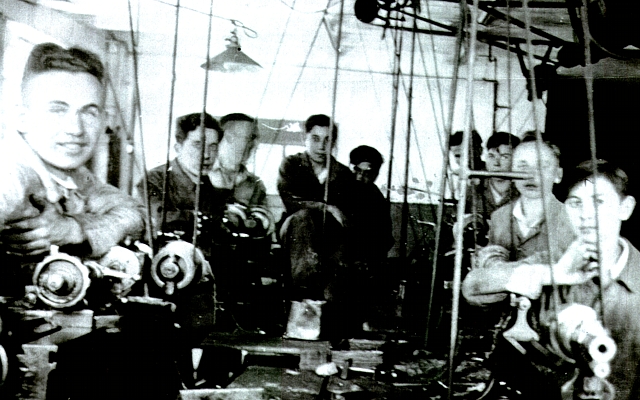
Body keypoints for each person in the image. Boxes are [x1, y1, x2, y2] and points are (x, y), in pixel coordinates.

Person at [466, 159, 640, 399]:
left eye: (598, 202)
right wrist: (553, 274)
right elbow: (472, 286)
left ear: (625, 208)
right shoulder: (554, 263)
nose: (586, 215)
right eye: (575, 203)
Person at [0, 42, 145, 295]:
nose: (75, 129)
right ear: (22, 118)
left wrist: (75, 230)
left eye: (89, 112)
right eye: (57, 110)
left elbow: (137, 214)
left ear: (103, 120)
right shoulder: (9, 176)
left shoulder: (71, 173)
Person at [461, 137, 574, 399]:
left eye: (542, 166)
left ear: (558, 175)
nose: (531, 175)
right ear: (511, 172)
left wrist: (498, 274)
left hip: (555, 337)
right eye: (522, 166)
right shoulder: (500, 217)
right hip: (508, 329)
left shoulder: (571, 218)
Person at [277, 114, 353, 300]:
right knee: (302, 218)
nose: (321, 146)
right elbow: (290, 201)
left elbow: (345, 214)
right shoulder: (292, 165)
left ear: (333, 142)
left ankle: (327, 301)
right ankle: (304, 294)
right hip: (295, 230)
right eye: (315, 139)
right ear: (305, 138)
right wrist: (325, 207)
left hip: (329, 236)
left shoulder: (343, 174)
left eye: (327, 140)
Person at [144, 112, 225, 255]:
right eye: (198, 145)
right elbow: (155, 221)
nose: (206, 155)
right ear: (178, 148)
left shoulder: (208, 186)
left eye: (213, 147)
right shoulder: (154, 181)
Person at [345, 145, 393, 265]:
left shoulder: (377, 199)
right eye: (357, 170)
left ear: (375, 175)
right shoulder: (340, 189)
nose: (360, 176)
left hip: (364, 261)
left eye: (366, 173)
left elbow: (385, 239)